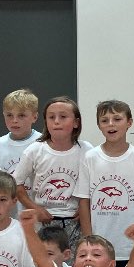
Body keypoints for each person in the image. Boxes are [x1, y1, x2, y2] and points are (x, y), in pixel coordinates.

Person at [75, 100, 134, 267]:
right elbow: (84, 202)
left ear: (129, 122)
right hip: (99, 246)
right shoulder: (90, 158)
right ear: (99, 125)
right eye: (104, 120)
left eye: (117, 119)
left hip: (129, 247)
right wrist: (89, 240)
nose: (110, 124)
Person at [14, 96, 93, 248]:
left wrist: (85, 208)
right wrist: (35, 208)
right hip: (44, 221)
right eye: (51, 117)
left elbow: (95, 184)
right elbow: (16, 185)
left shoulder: (86, 150)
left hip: (75, 221)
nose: (56, 121)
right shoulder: (35, 150)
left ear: (76, 122)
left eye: (63, 117)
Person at [0, 89, 42, 189]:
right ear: (4, 115)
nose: (14, 120)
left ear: (35, 117)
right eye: (9, 115)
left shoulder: (44, 143)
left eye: (21, 115)